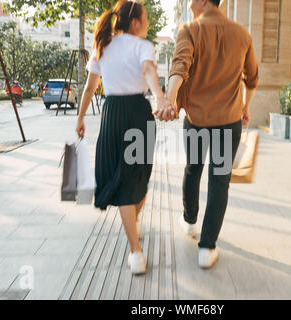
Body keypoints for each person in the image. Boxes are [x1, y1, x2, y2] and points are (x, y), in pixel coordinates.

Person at [155, 0, 259, 269]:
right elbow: (252, 78)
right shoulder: (242, 34)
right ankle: (207, 248)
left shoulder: (189, 29)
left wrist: (169, 100)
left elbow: (180, 66)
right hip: (229, 121)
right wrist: (245, 108)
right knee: (219, 181)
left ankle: (190, 221)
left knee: (193, 169)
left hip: (197, 120)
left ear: (202, 1)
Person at [76, 0, 170, 275]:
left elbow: (90, 87)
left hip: (113, 113)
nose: (149, 23)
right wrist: (161, 99)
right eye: (146, 18)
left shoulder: (103, 45)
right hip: (137, 114)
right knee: (134, 177)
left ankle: (132, 227)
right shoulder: (142, 46)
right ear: (135, 22)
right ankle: (135, 250)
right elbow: (149, 72)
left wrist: (80, 118)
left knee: (136, 177)